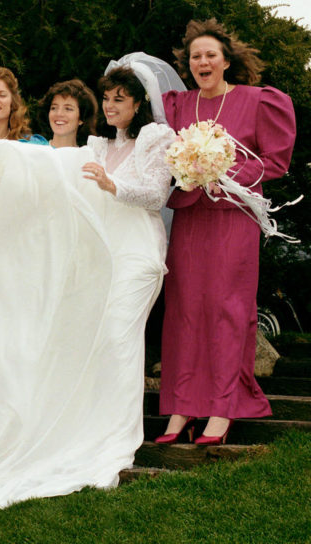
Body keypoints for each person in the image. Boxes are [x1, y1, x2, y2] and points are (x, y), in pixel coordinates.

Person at [158, 19, 296, 445]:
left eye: (210, 55)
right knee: (184, 309)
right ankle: (182, 408)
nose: (203, 61)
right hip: (190, 220)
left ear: (226, 60)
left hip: (233, 219)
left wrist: (223, 172)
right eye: (195, 56)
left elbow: (275, 161)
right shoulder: (178, 104)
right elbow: (162, 156)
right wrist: (185, 171)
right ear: (188, 64)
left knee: (226, 309)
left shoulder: (259, 101)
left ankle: (222, 407)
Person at [81, 58, 180, 452]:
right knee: (97, 335)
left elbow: (157, 195)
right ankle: (94, 424)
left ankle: (121, 435)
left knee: (120, 332)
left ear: (138, 103)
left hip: (139, 250)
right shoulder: (97, 144)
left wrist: (112, 185)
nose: (110, 106)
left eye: (119, 99)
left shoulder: (156, 137)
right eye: (106, 99)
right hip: (101, 251)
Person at [39, 79, 98, 148]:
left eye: (68, 109)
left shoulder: (87, 156)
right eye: (54, 108)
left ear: (81, 118)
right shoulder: (33, 151)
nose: (59, 114)